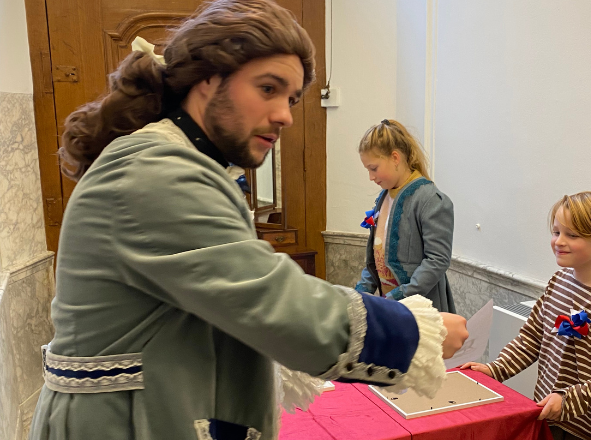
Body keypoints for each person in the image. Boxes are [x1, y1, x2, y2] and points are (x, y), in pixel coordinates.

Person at [28, 1, 469, 440]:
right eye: (267, 88)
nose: (285, 115)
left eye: (291, 98)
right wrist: (413, 332)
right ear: (206, 79)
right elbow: (268, 296)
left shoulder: (181, 161)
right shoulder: (155, 167)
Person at [461, 192, 591, 440]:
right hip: (552, 418)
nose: (559, 241)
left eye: (572, 235)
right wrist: (495, 370)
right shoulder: (558, 282)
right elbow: (531, 338)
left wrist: (568, 400)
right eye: (556, 232)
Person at [355, 119, 456, 312]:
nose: (371, 177)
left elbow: (437, 260)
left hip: (421, 308)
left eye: (373, 168)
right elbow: (375, 260)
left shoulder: (431, 200)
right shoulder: (383, 197)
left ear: (395, 157)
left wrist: (397, 297)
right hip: (391, 307)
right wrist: (362, 294)